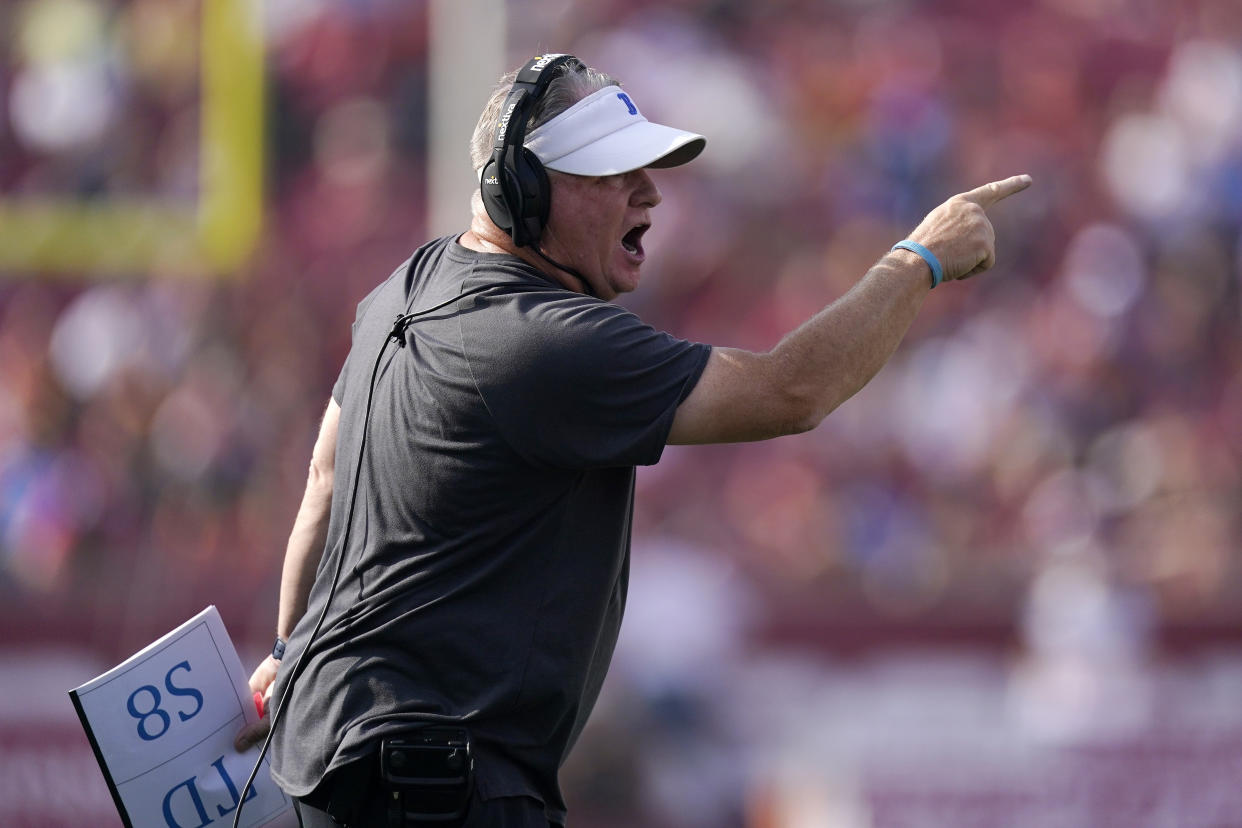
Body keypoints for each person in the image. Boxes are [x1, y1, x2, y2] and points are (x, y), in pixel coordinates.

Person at [234, 53, 1031, 827]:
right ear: (520, 190)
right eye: (612, 173)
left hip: (329, 768)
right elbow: (792, 392)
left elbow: (325, 480)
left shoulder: (403, 287)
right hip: (438, 783)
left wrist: (289, 650)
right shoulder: (543, 339)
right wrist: (918, 259)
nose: (649, 192)